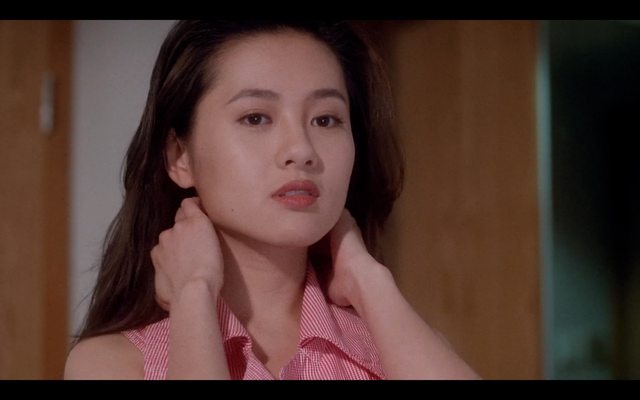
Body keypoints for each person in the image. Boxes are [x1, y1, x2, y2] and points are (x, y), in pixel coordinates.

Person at [64, 20, 479, 380]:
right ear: (179, 156)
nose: (301, 149)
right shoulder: (115, 363)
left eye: (326, 119)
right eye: (256, 118)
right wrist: (193, 293)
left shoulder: (402, 348)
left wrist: (367, 278)